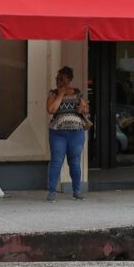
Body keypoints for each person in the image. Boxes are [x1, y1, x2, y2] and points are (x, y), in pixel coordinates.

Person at [45, 65, 90, 201]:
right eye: (57, 79)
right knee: (56, 161)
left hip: (76, 134)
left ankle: (76, 191)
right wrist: (61, 93)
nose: (59, 81)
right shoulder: (53, 93)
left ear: (69, 79)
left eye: (62, 79)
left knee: (75, 163)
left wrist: (83, 108)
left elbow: (85, 110)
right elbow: (51, 109)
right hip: (58, 134)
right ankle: (52, 192)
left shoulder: (78, 93)